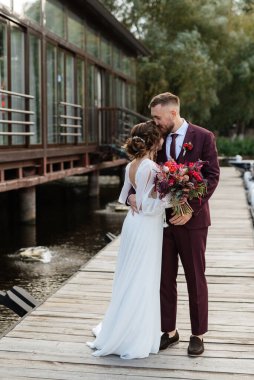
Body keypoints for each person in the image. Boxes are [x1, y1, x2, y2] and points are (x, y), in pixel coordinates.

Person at [128, 92, 220, 356]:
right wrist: (131, 194)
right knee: (164, 278)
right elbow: (139, 169)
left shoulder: (204, 137)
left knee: (195, 277)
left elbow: (212, 177)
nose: (154, 122)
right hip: (160, 222)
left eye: (158, 117)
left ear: (172, 113)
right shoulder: (156, 138)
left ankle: (197, 334)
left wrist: (190, 208)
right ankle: (169, 331)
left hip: (193, 222)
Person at [87, 121, 166, 359]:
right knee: (143, 278)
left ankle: (124, 328)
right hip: (146, 227)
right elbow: (149, 206)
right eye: (160, 137)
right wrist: (175, 198)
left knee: (130, 275)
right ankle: (135, 336)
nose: (163, 140)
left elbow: (126, 197)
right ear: (155, 141)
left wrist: (137, 199)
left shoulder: (131, 164)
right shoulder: (153, 167)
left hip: (132, 225)